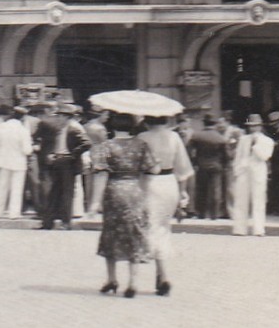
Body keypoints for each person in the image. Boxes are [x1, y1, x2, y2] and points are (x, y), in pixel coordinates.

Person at [88, 111, 160, 297]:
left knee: (111, 233)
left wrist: (95, 202)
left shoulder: (105, 146)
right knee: (134, 233)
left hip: (114, 191)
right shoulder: (142, 145)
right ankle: (133, 282)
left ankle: (112, 279)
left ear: (112, 126)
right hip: (135, 191)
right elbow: (154, 169)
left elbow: (101, 174)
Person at [137, 114, 193, 296]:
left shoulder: (142, 138)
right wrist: (183, 192)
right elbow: (183, 168)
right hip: (170, 184)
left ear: (147, 121)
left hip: (149, 182)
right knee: (163, 227)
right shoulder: (174, 137)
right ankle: (160, 274)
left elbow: (136, 165)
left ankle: (163, 275)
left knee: (152, 227)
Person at [34, 102, 89, 230]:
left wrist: (72, 154)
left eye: (60, 116)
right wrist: (53, 154)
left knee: (66, 193)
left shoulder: (74, 128)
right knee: (54, 193)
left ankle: (66, 222)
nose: (57, 118)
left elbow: (86, 143)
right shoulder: (61, 128)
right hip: (58, 161)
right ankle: (48, 222)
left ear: (66, 116)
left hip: (68, 163)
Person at [232, 114, 275, 237]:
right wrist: (237, 170)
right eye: (250, 126)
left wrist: (255, 145)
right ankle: (240, 229)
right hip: (243, 171)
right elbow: (238, 156)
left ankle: (259, 229)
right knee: (241, 200)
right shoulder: (243, 139)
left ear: (260, 127)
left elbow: (265, 156)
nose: (253, 129)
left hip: (258, 170)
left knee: (259, 199)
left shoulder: (267, 141)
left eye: (255, 126)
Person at [186, 115, 231, 220]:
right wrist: (223, 165)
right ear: (214, 124)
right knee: (216, 190)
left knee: (201, 189)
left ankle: (201, 213)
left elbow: (189, 151)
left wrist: (194, 162)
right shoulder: (220, 138)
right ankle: (214, 214)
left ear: (204, 123)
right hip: (216, 165)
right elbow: (227, 155)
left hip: (201, 165)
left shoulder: (196, 136)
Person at [0, 106, 31, 220]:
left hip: (3, 160)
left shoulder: (2, 127)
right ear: (23, 117)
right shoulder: (23, 130)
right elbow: (27, 150)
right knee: (16, 188)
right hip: (18, 162)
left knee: (2, 186)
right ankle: (13, 213)